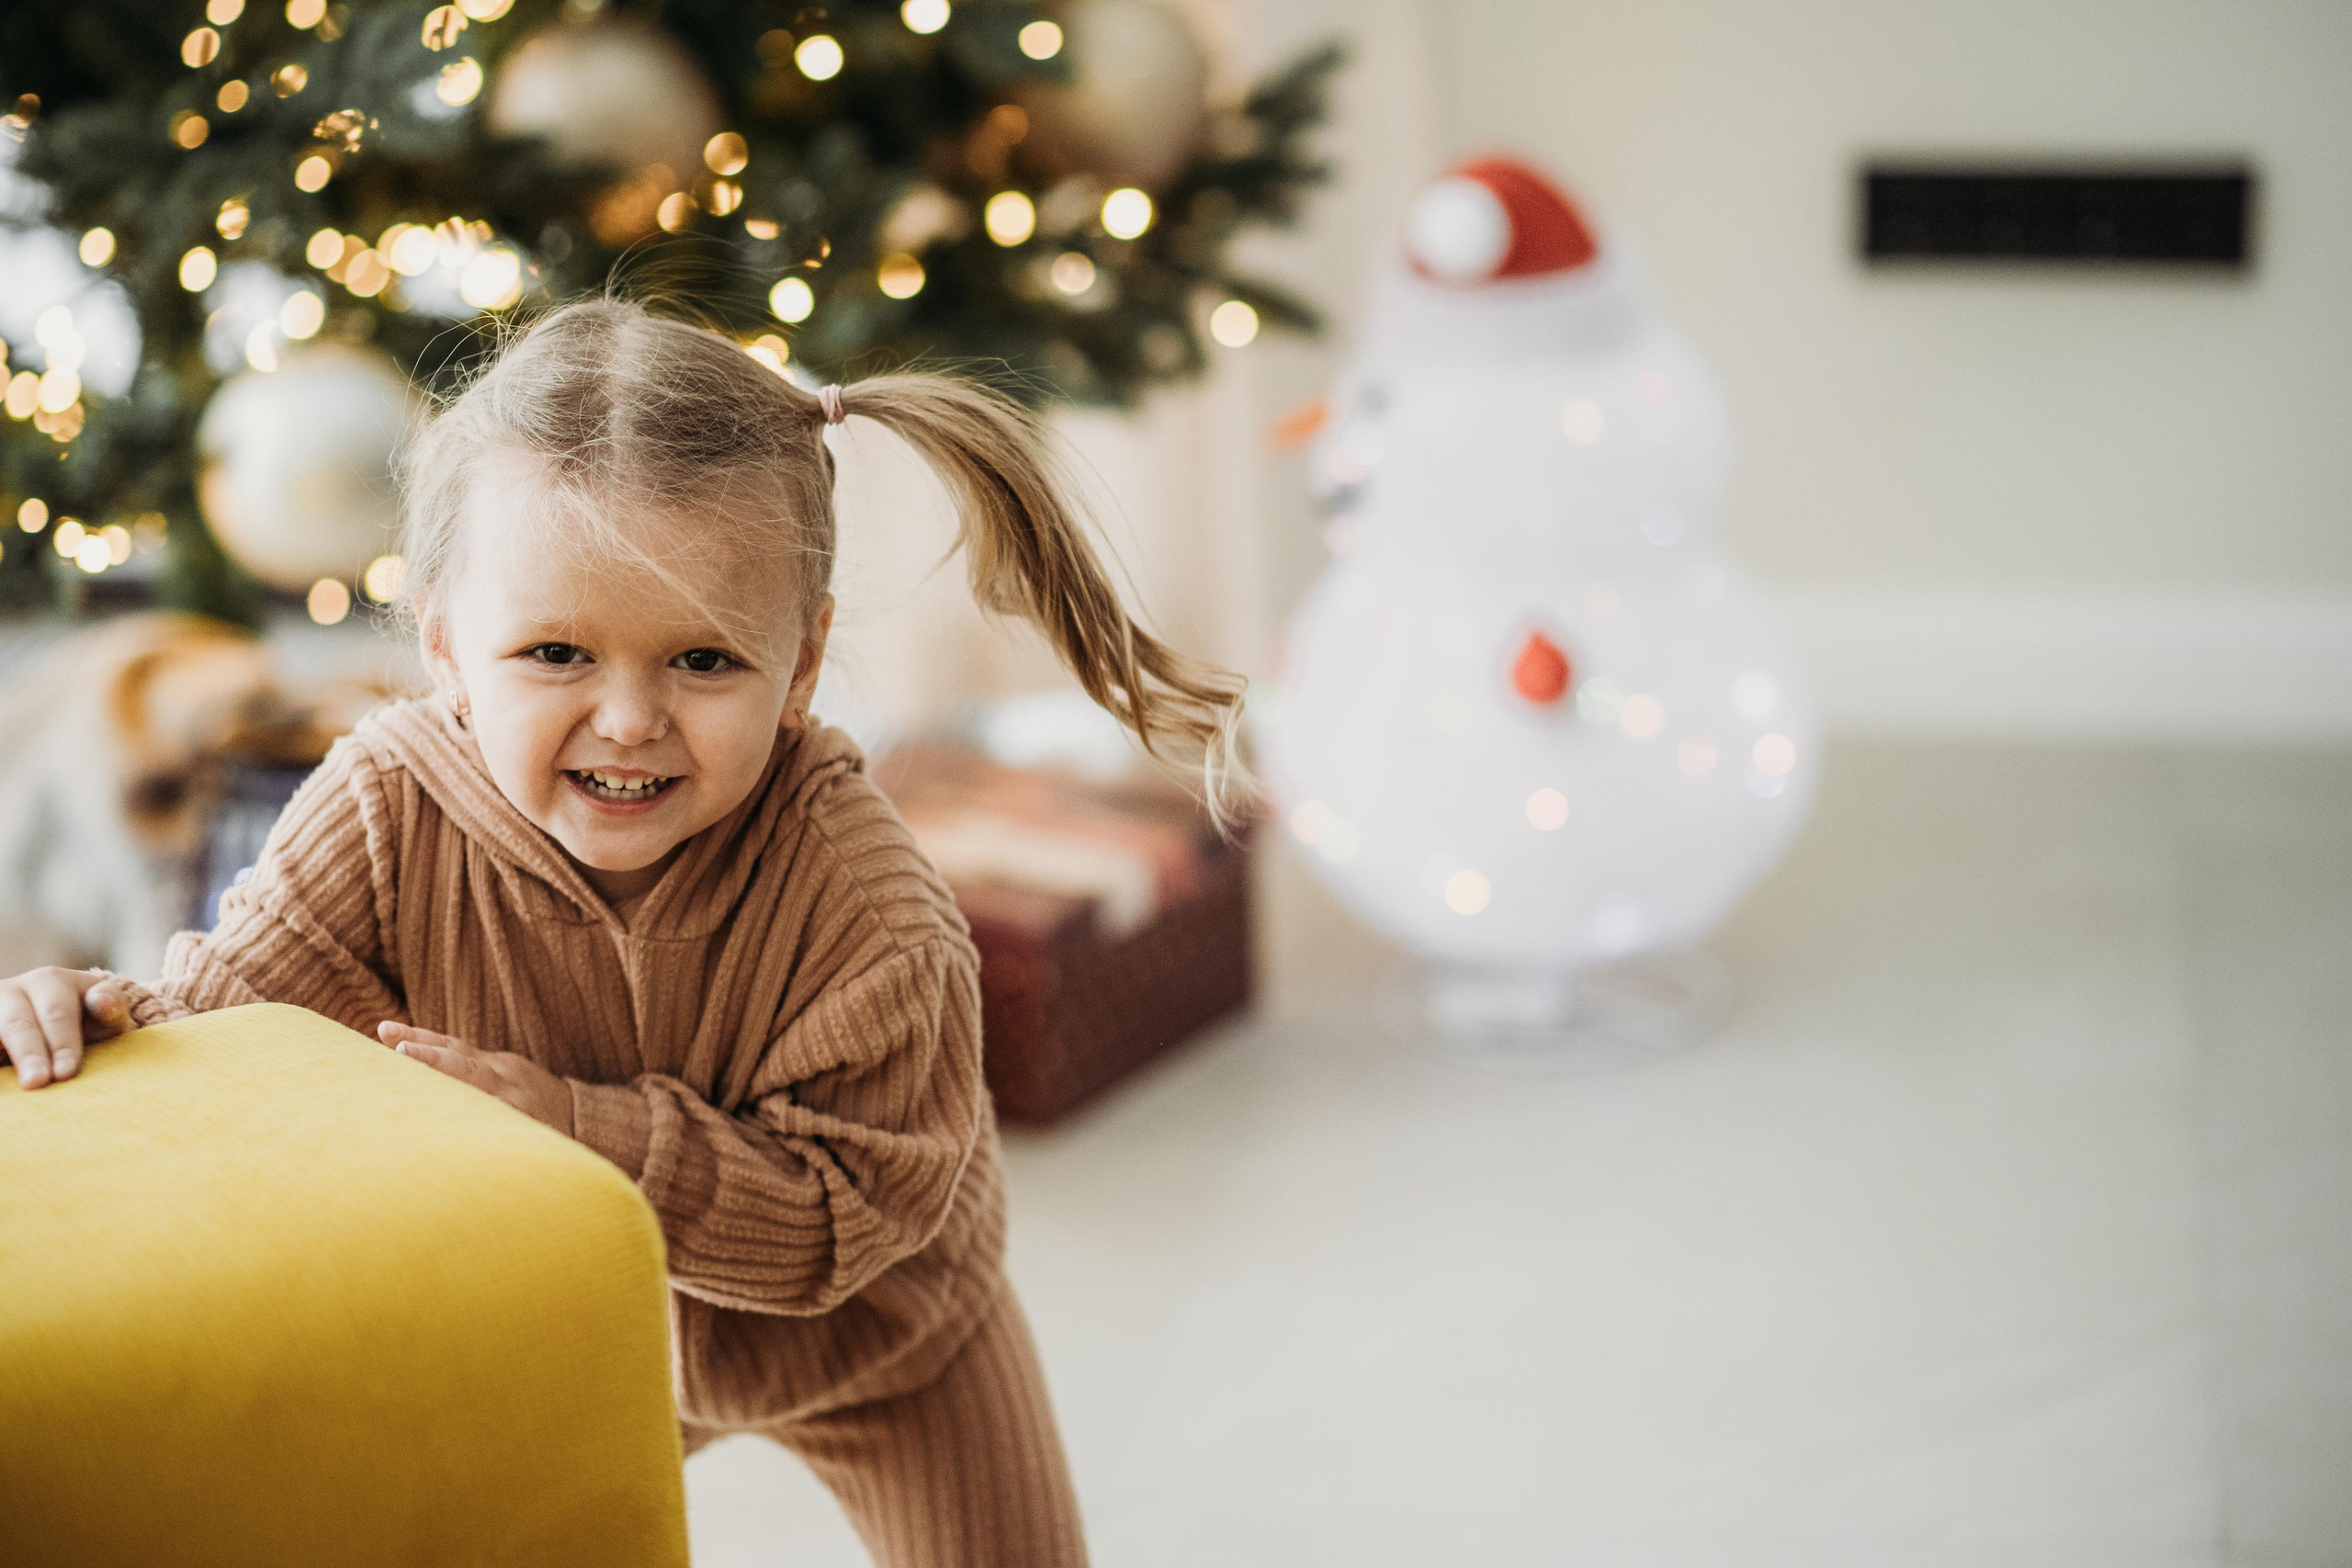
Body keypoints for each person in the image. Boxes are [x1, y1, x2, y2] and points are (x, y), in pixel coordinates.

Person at [0, 298, 1247, 1567]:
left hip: (889, 1333)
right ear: (444, 647)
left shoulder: (869, 908)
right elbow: (235, 1023)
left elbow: (833, 1222)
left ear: (802, 663)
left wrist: (573, 1129)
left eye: (704, 663)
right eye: (554, 653)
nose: (630, 720)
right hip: (572, 1332)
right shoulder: (384, 809)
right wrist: (106, 1019)